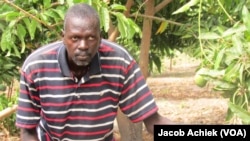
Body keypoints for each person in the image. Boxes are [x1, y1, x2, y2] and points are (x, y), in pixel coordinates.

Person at [15, 3, 174, 141]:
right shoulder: (36, 67)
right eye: (75, 38)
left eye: (91, 38)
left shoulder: (119, 63)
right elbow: (27, 130)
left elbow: (153, 120)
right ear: (64, 38)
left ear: (100, 38)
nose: (83, 45)